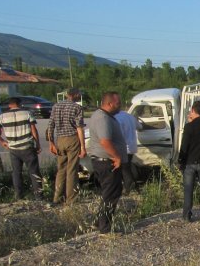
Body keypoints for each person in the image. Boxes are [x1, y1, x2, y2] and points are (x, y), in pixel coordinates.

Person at [88, 92, 126, 234]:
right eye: (118, 103)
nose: (120, 105)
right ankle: (105, 229)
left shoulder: (105, 116)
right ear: (109, 104)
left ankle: (99, 222)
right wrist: (117, 157)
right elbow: (105, 141)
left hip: (106, 161)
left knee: (109, 192)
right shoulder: (102, 118)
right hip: (107, 162)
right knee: (111, 194)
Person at [0, 97, 43, 200]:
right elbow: (33, 130)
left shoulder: (2, 116)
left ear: (9, 105)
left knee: (17, 173)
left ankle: (19, 196)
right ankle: (39, 196)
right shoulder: (27, 113)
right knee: (34, 172)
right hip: (27, 146)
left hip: (13, 148)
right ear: (20, 103)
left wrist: (2, 141)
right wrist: (38, 144)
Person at [48, 88, 86, 205]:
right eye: (78, 94)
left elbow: (50, 125)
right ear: (74, 95)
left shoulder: (56, 106)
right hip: (72, 138)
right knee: (72, 170)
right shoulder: (77, 107)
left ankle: (57, 197)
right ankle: (71, 199)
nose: (79, 96)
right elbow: (79, 128)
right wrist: (83, 147)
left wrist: (51, 143)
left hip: (60, 140)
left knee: (61, 169)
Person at [114, 110, 141, 194]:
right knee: (127, 167)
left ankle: (130, 187)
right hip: (132, 147)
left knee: (124, 169)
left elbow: (118, 135)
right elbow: (140, 127)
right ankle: (132, 186)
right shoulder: (130, 116)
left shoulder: (116, 118)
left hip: (123, 147)